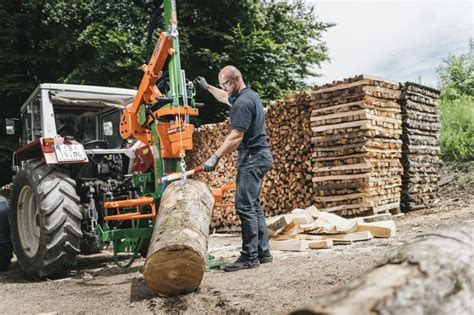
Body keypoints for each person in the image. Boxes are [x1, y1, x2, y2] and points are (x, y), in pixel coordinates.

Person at [195, 66, 273, 272]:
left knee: (245, 206)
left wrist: (215, 157)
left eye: (227, 84)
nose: (225, 88)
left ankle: (249, 257)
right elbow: (223, 97)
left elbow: (236, 137)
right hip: (260, 155)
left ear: (237, 79)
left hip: (252, 158)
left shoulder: (243, 103)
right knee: (253, 205)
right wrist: (208, 87)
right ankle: (263, 253)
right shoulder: (247, 96)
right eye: (222, 85)